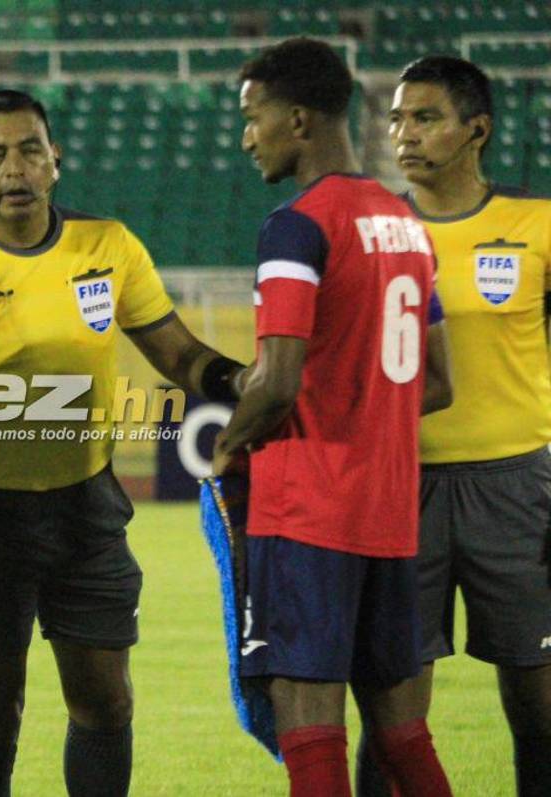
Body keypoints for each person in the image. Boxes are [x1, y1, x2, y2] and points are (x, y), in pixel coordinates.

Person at [0, 88, 248, 797]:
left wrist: (237, 378)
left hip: (85, 506)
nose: (16, 168)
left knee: (106, 699)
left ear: (55, 161)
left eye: (30, 150)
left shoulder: (108, 246)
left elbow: (174, 350)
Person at [210, 38, 454, 796]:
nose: (248, 135)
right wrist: (361, 398)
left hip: (308, 510)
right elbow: (438, 382)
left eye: (255, 117)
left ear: (301, 119)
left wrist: (225, 444)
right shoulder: (405, 225)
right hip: (388, 513)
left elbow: (278, 382)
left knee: (309, 721)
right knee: (403, 731)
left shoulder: (297, 226)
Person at [355, 55, 551, 797]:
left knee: (537, 707)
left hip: (517, 488)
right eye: (399, 117)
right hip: (400, 491)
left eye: (426, 117)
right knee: (392, 713)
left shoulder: (537, 225)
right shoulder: (370, 230)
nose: (404, 133)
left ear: (478, 130)